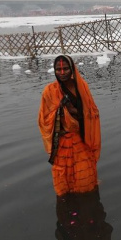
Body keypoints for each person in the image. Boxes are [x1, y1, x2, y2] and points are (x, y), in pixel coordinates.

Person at [38, 55, 102, 196]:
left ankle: (89, 211)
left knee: (85, 182)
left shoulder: (81, 86)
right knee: (64, 183)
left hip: (81, 140)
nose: (62, 72)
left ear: (72, 69)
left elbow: (92, 112)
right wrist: (61, 110)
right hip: (62, 144)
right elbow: (44, 120)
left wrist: (73, 111)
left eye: (66, 68)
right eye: (58, 69)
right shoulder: (50, 91)